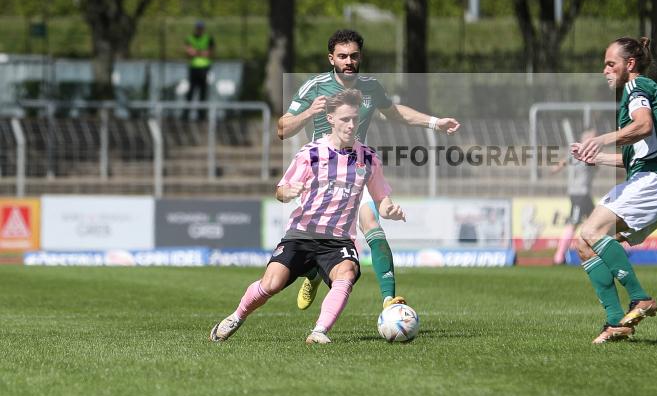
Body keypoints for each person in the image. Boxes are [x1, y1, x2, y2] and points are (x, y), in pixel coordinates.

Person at [277, 29, 460, 312]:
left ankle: (389, 300)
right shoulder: (313, 87)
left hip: (354, 170)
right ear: (331, 59)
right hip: (321, 176)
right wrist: (309, 113)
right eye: (342, 56)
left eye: (353, 56)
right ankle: (313, 272)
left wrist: (435, 123)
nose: (348, 61)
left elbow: (395, 113)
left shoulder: (371, 88)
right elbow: (283, 129)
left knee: (373, 226)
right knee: (322, 237)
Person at [210, 89, 406, 345]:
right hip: (301, 235)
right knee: (271, 284)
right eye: (345, 119)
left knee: (346, 273)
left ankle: (319, 331)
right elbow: (280, 190)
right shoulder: (310, 154)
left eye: (355, 119)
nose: (351, 125)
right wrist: (288, 192)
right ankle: (237, 316)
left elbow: (381, 198)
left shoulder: (367, 158)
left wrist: (388, 209)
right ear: (331, 119)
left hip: (338, 241)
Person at [571, 37, 657, 344]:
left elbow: (643, 126)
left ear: (629, 65)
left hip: (654, 180)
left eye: (610, 64)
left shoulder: (635, 87)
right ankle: (616, 322)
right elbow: (638, 153)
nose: (605, 70)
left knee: (591, 231)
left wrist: (601, 138)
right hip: (648, 177)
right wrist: (597, 157)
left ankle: (639, 298)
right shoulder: (639, 90)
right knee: (584, 244)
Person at [549, 128, 598, 265]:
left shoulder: (577, 152)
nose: (596, 140)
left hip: (585, 194)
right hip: (579, 194)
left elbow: (564, 161)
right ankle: (558, 257)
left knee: (597, 223)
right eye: (593, 137)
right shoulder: (586, 153)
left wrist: (555, 168)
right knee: (573, 223)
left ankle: (601, 253)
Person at [184, 21, 215, 120]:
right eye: (198, 28)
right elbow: (189, 52)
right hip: (193, 68)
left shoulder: (208, 38)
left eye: (201, 28)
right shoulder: (190, 38)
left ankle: (201, 116)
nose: (199, 30)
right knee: (190, 92)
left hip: (204, 68)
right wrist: (201, 52)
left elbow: (209, 52)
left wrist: (196, 52)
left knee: (203, 92)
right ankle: (186, 115)